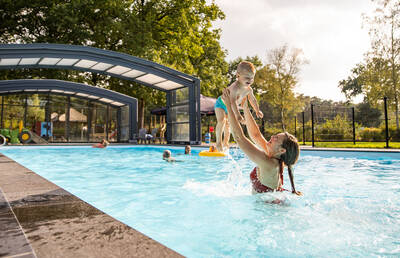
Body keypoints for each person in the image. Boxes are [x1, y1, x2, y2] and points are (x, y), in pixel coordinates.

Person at [221, 89, 302, 197]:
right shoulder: (273, 155)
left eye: (276, 138)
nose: (272, 137)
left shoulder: (269, 164)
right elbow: (256, 135)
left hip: (269, 208)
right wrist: (245, 106)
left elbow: (239, 138)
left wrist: (228, 106)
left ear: (282, 150)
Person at [214, 61, 263, 152]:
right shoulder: (235, 87)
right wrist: (238, 116)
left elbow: (252, 100)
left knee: (228, 126)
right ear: (238, 76)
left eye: (252, 78)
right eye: (247, 78)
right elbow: (232, 102)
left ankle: (226, 143)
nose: (250, 80)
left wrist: (257, 110)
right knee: (222, 121)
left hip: (231, 108)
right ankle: (218, 142)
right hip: (221, 104)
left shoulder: (249, 89)